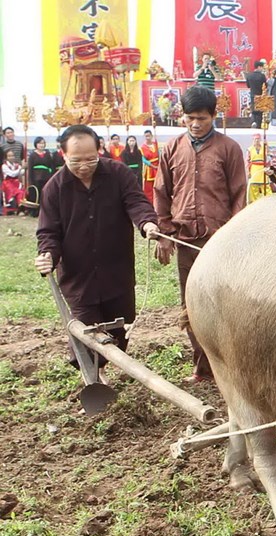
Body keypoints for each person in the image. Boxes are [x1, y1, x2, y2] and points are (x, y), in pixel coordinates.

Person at [34, 125, 159, 381]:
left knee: (119, 327)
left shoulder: (118, 174)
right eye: (76, 161)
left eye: (90, 159)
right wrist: (47, 254)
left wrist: (146, 222)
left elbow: (135, 201)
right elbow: (49, 232)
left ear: (100, 150)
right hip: (79, 277)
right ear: (63, 154)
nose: (84, 166)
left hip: (116, 272)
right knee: (86, 331)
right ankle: (93, 380)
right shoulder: (54, 188)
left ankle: (102, 368)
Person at [152, 86, 247, 383]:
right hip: (185, 239)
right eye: (190, 118)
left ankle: (229, 368)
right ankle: (203, 368)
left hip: (218, 240)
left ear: (214, 117)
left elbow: (239, 195)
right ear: (183, 117)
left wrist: (234, 236)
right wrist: (164, 234)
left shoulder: (228, 149)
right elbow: (162, 193)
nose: (195, 124)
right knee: (190, 305)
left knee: (222, 304)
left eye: (202, 119)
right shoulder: (172, 148)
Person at [26, 137, 55, 216]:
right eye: (39, 143)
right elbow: (30, 168)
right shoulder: (32, 155)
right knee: (36, 194)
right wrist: (30, 181)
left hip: (46, 176)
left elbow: (51, 166)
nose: (41, 145)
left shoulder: (48, 154)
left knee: (45, 194)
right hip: (36, 177)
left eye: (43, 143)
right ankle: (35, 211)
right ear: (36, 144)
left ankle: (45, 211)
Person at [246, 133, 271, 203]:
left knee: (266, 186)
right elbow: (247, 161)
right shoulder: (250, 149)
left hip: (262, 168)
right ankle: (254, 202)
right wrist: (248, 172)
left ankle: (268, 200)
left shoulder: (264, 148)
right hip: (254, 169)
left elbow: (268, 158)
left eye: (258, 139)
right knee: (254, 186)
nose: (256, 141)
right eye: (255, 139)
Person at [246, 59, 268, 128]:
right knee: (259, 112)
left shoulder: (249, 75)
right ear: (259, 67)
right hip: (260, 95)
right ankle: (258, 126)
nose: (262, 69)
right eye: (262, 67)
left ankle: (253, 122)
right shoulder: (262, 76)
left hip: (252, 95)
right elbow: (265, 86)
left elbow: (248, 86)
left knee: (253, 111)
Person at [140, 129, 159, 202]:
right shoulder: (142, 147)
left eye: (149, 136)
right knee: (149, 187)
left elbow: (159, 154)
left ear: (151, 136)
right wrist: (152, 166)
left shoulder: (155, 144)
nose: (147, 137)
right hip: (149, 168)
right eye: (146, 136)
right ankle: (149, 202)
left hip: (158, 166)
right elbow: (143, 159)